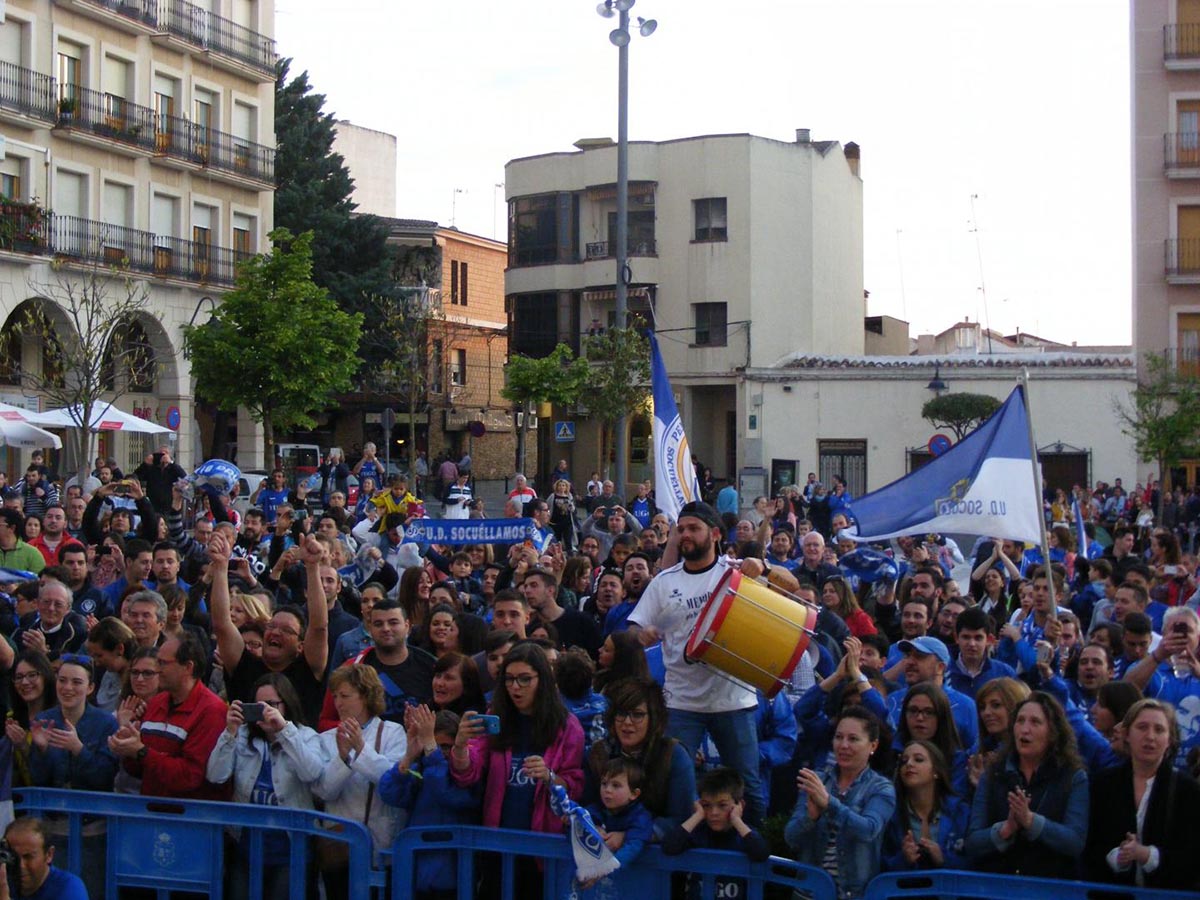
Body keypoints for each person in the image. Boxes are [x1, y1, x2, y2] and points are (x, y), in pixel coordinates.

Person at [628, 500, 784, 824]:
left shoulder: (737, 573)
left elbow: (793, 588)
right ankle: (684, 862)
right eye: (680, 529)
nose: (684, 535)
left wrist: (765, 568)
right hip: (682, 703)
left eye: (693, 528)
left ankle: (755, 858)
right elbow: (633, 628)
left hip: (733, 701)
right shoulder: (664, 582)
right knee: (674, 785)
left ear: (714, 534)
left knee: (748, 787)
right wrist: (641, 635)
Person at [450, 643, 584, 895]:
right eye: (509, 679)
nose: (515, 687)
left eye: (525, 679)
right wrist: (460, 746)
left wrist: (549, 776)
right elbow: (468, 774)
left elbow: (575, 786)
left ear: (542, 680)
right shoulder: (495, 717)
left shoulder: (567, 726)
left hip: (543, 849)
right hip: (497, 843)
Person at [206, 673, 326, 900]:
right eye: (258, 705)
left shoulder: (305, 736)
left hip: (290, 850)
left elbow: (312, 773)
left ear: (286, 704)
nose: (264, 711)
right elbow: (215, 775)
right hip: (246, 849)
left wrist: (284, 731)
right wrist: (229, 732)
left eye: (271, 705)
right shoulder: (242, 735)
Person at [964, 692, 1089, 879]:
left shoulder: (1073, 777)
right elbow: (972, 842)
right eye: (1020, 721)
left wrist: (1031, 821)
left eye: (1035, 722)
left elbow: (1074, 842)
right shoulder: (993, 774)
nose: (1024, 730)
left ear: (1053, 731)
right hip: (998, 887)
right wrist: (1005, 829)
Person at [1084, 699, 1200, 890]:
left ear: (1170, 740)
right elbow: (1091, 846)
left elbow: (1192, 857)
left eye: (1159, 730)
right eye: (1142, 727)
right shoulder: (1102, 784)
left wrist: (1147, 855)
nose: (1150, 736)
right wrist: (1117, 858)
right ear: (1127, 734)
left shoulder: (1187, 790)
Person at [312, 664, 408, 897]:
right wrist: (344, 759)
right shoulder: (325, 739)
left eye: (345, 696)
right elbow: (324, 790)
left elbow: (390, 778)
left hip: (379, 845)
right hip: (339, 847)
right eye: (335, 696)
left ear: (365, 696)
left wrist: (361, 749)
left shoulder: (393, 732)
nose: (338, 703)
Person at [786, 708, 896, 900]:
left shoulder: (881, 788)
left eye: (853, 739)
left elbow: (869, 830)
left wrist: (829, 803)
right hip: (809, 892)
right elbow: (791, 838)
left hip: (855, 894)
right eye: (839, 737)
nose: (843, 745)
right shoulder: (817, 779)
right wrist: (811, 818)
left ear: (873, 745)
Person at [108, 633, 229, 800]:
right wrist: (128, 748)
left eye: (163, 663)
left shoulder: (212, 711)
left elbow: (190, 776)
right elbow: (139, 771)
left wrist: (142, 752)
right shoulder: (156, 704)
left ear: (188, 667)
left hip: (189, 819)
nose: (157, 669)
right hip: (151, 812)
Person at [662, 767, 770, 900]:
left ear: (739, 805)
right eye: (706, 805)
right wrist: (697, 816)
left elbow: (761, 853)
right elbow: (669, 846)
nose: (714, 813)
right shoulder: (698, 832)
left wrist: (736, 820)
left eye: (722, 805)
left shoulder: (745, 834)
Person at [883, 739, 970, 871]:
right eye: (904, 761)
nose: (909, 764)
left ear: (936, 771)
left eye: (918, 759)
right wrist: (903, 859)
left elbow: (974, 862)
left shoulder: (960, 811)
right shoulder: (890, 813)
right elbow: (881, 864)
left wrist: (943, 859)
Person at [581, 757, 654, 887]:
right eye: (604, 783)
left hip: (632, 885)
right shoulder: (596, 809)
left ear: (634, 794)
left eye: (616, 785)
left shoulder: (641, 818)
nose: (607, 790)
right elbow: (575, 824)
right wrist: (591, 827)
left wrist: (600, 871)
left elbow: (632, 848)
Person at [0, 817, 88, 900]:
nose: (20, 865)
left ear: (49, 854)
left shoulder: (70, 888)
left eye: (28, 857)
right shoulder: (5, 881)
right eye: (13, 857)